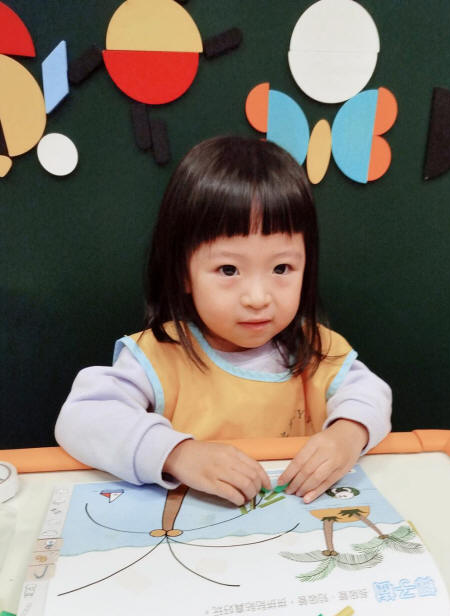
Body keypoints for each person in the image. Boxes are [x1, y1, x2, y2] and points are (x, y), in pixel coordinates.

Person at [55, 136, 391, 506]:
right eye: (228, 269)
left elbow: (373, 395)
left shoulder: (317, 349)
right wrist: (177, 454)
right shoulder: (159, 354)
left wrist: (348, 435)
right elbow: (81, 418)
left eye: (282, 268)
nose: (258, 297)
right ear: (183, 272)